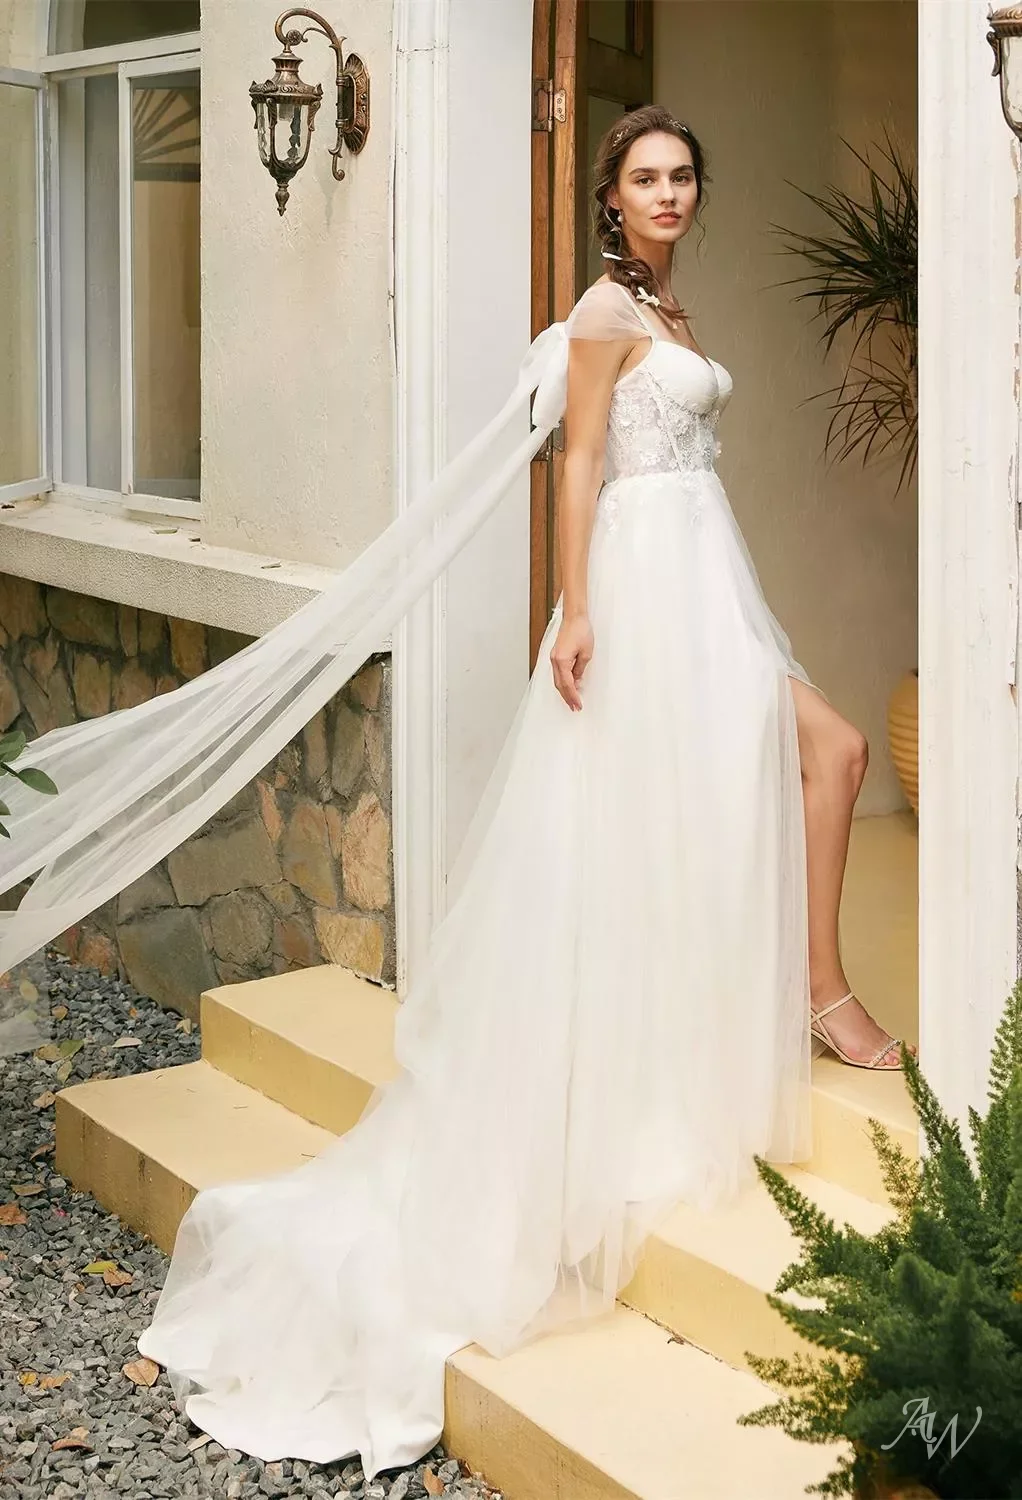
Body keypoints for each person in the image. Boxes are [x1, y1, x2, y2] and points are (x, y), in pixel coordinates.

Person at [1, 105, 913, 1480]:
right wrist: (576, 611)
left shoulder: (668, 304)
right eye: (644, 178)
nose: (665, 193)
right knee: (774, 771)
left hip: (704, 577)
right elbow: (583, 465)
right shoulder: (607, 310)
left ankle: (803, 986)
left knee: (818, 756)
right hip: (642, 593)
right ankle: (811, 995)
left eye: (681, 176)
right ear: (610, 199)